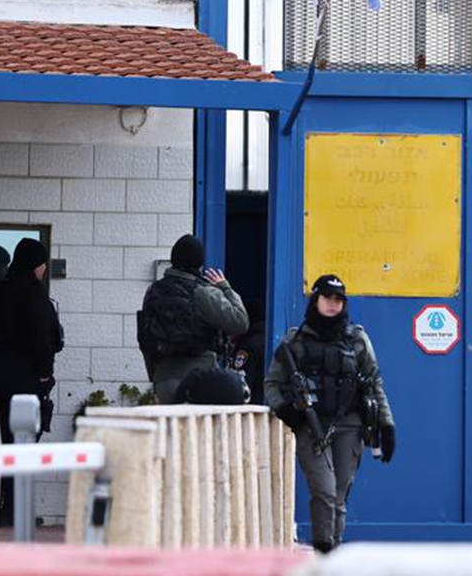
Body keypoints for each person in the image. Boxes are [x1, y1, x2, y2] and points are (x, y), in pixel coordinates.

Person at [265, 274, 395, 554]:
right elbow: (272, 384)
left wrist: (386, 425)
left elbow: (374, 383)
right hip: (310, 426)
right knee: (324, 489)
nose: (333, 304)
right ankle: (324, 548)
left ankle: (332, 550)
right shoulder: (294, 341)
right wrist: (286, 411)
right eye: (327, 298)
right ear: (316, 300)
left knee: (339, 492)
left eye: (338, 299)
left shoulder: (356, 339)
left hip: (350, 425)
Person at [0, 238, 62, 527]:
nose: (43, 270)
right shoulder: (34, 296)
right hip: (27, 380)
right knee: (24, 443)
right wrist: (45, 372)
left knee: (1, 441)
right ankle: (17, 511)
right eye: (42, 264)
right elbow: (43, 339)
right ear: (34, 265)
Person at [138, 234, 249, 403]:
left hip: (163, 378)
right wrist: (225, 288)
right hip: (201, 379)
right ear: (199, 264)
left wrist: (155, 376)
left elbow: (145, 337)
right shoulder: (203, 292)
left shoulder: (153, 291)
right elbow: (240, 322)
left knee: (169, 428)